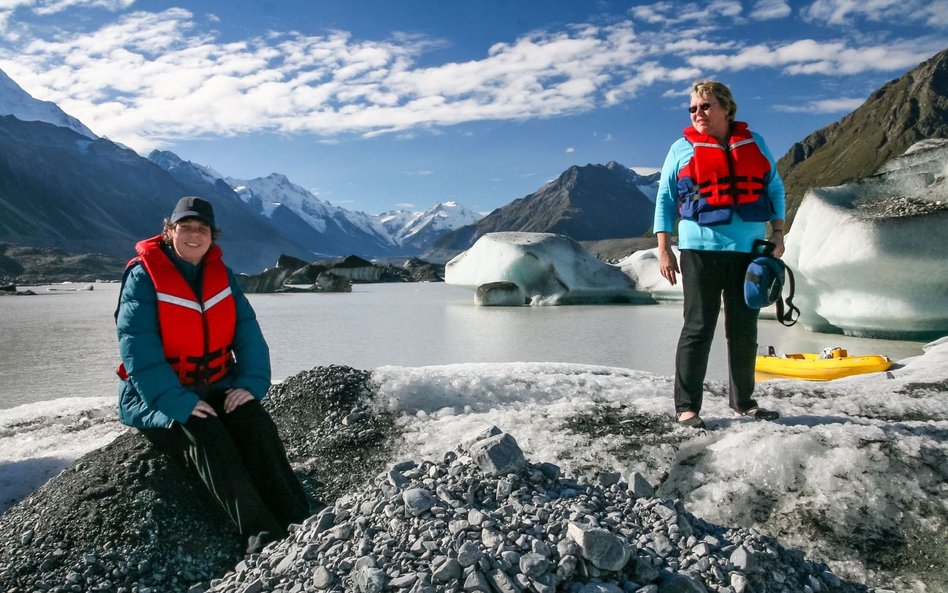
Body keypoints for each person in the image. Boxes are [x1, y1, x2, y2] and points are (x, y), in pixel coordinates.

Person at [115, 196, 312, 554]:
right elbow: (137, 349)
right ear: (170, 230)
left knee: (254, 422)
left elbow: (248, 333)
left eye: (201, 229)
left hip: (217, 383)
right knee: (208, 436)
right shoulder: (143, 276)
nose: (194, 235)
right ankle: (261, 536)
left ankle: (301, 517)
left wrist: (249, 385)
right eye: (185, 227)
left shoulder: (221, 276)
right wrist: (176, 402)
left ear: (212, 235)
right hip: (158, 396)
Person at [653, 80, 786, 429]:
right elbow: (666, 200)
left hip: (748, 253)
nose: (698, 113)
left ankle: (744, 402)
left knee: (744, 330)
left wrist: (778, 232)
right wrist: (664, 249)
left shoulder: (755, 143)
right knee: (698, 328)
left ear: (726, 108)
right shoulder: (681, 148)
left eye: (706, 106)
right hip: (699, 251)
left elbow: (774, 187)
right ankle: (687, 408)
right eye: (693, 108)